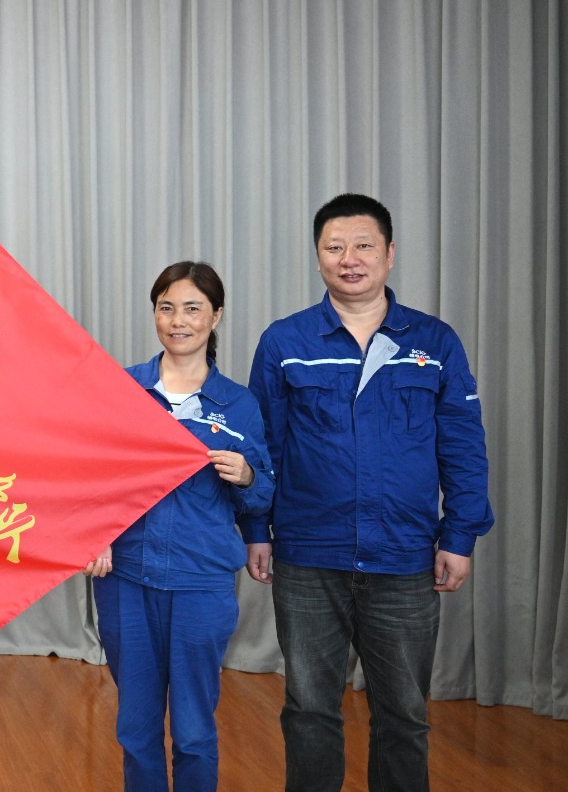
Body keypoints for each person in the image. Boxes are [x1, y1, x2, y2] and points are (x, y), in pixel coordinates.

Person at [244, 193, 494, 791]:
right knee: (308, 709)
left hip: (404, 557)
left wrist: (459, 536)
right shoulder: (285, 341)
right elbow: (263, 448)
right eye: (334, 247)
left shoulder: (434, 342)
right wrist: (256, 530)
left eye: (363, 246)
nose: (348, 259)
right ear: (318, 257)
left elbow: (463, 446)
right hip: (309, 556)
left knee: (404, 715)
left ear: (389, 253)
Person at [83, 261, 274, 792]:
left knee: (193, 730)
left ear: (216, 316)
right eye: (166, 308)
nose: (178, 321)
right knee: (135, 727)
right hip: (126, 578)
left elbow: (263, 493)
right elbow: (89, 475)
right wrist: (96, 533)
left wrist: (247, 475)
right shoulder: (123, 390)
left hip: (201, 581)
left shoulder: (238, 403)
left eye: (192, 308)